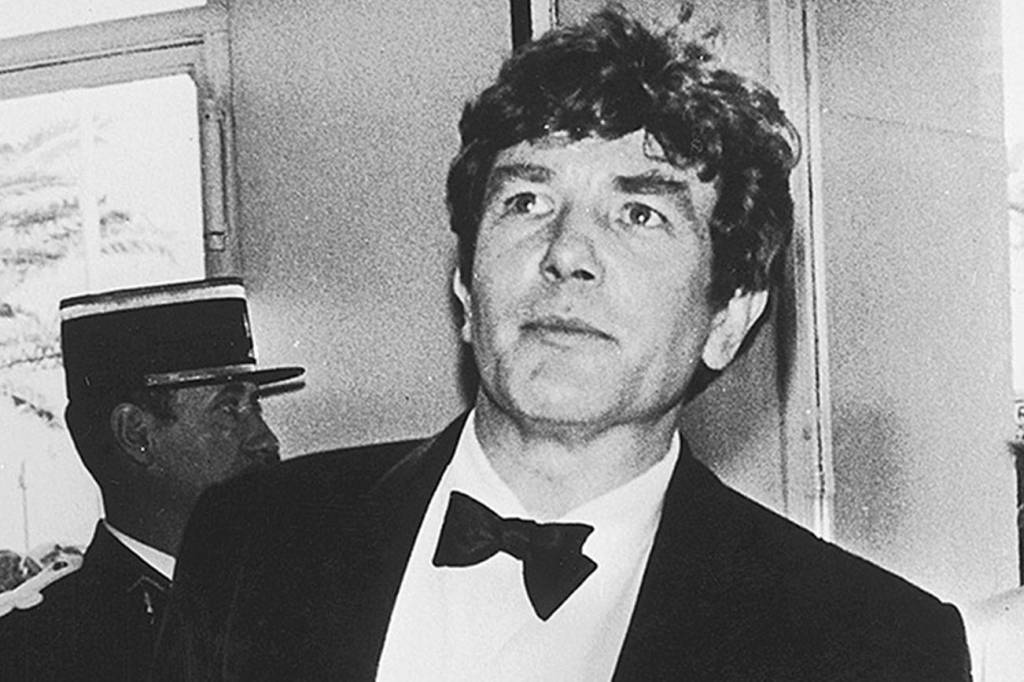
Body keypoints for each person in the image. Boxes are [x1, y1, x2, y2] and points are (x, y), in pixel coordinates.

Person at [154, 9, 970, 681]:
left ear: (728, 317)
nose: (567, 252)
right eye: (527, 202)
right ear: (466, 289)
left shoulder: (872, 647)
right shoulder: (255, 540)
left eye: (639, 213)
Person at [0, 277, 303, 681]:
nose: (266, 440)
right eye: (228, 408)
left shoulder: (306, 604)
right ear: (136, 434)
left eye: (256, 406)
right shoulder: (33, 650)